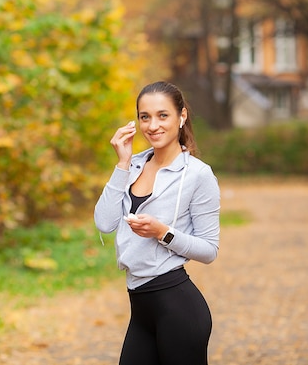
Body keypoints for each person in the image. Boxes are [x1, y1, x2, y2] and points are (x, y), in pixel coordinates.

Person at [94, 81, 220, 365]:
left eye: (163, 115)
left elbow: (210, 250)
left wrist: (163, 233)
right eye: (145, 117)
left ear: (182, 116)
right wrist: (122, 163)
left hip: (179, 309)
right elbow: (104, 223)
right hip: (140, 309)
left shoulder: (198, 175)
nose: (153, 126)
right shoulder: (134, 165)